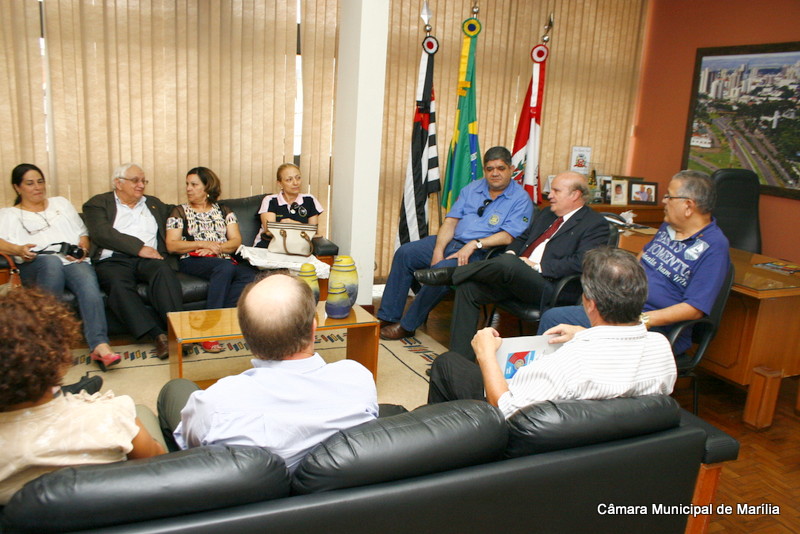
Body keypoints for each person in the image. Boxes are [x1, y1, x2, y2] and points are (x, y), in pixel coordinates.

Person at [157, 272, 378, 471]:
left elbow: (190, 444)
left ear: (246, 337)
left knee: (175, 389)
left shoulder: (215, 405)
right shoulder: (358, 380)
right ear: (314, 328)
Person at [427, 247, 677, 418]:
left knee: (448, 363)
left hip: (522, 447)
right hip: (603, 449)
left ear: (589, 303)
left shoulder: (567, 362)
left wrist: (486, 356)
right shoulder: (661, 348)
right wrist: (582, 333)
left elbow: (505, 409)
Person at [415, 171, 609, 360]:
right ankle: (458, 362)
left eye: (556, 191)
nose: (549, 195)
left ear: (575, 195)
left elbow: (581, 263)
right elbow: (523, 237)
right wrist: (511, 252)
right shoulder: (546, 214)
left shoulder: (595, 224)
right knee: (469, 288)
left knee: (509, 263)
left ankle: (452, 274)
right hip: (514, 276)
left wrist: (536, 265)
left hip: (549, 285)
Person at [538, 170, 730, 356]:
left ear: (688, 205)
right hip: (621, 311)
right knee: (554, 319)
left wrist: (642, 319)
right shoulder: (669, 227)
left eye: (669, 197)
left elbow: (694, 309)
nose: (663, 201)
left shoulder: (714, 247)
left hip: (655, 327)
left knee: (585, 340)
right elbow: (641, 259)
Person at [0, 288, 165, 504]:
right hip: (116, 513)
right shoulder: (113, 414)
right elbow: (161, 467)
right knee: (142, 412)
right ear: (61, 360)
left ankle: (78, 389)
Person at [378, 146, 533, 340]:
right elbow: (451, 221)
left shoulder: (520, 199)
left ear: (511, 169)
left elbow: (508, 236)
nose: (495, 173)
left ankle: (408, 325)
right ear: (484, 170)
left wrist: (475, 244)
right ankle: (387, 316)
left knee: (442, 271)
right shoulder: (471, 189)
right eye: (489, 168)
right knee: (405, 253)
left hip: (482, 253)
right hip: (453, 241)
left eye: (500, 168)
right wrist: (438, 249)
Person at [0, 163, 121, 371]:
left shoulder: (61, 204)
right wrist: (18, 249)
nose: (37, 187)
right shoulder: (8, 214)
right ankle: (48, 345)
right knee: (51, 263)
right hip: (35, 264)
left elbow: (83, 232)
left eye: (40, 181)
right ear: (17, 188)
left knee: (87, 281)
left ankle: (100, 345)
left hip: (71, 261)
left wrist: (83, 247)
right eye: (30, 183)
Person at [83, 163, 183, 360]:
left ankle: (178, 333)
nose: (141, 185)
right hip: (114, 260)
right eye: (135, 180)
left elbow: (181, 213)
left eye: (143, 181)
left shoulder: (153, 204)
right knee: (118, 285)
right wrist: (138, 248)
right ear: (118, 183)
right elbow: (102, 233)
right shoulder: (97, 203)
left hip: (150, 258)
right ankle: (157, 336)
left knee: (163, 271)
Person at [166, 167, 256, 352]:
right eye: (187, 184)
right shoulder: (179, 211)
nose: (188, 189)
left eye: (194, 184)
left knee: (250, 274)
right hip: (192, 260)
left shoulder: (224, 210)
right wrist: (202, 244)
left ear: (207, 187)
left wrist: (217, 248)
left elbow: (236, 240)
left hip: (221, 257)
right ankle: (209, 332)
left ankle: (223, 321)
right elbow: (172, 244)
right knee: (224, 269)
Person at [253, 163, 324, 247]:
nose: (295, 183)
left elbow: (313, 232)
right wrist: (302, 228)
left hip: (298, 248)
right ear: (280, 183)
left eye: (298, 178)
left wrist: (293, 224)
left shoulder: (309, 200)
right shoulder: (270, 200)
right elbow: (270, 231)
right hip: (269, 246)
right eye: (289, 180)